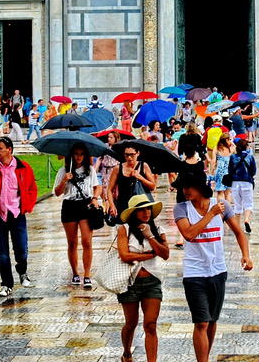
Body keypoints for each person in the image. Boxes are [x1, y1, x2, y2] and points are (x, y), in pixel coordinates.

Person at [174, 169, 254, 362]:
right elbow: (189, 235)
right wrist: (210, 215)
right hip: (194, 273)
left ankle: (205, 357)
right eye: (183, 187)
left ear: (201, 187)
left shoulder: (222, 205)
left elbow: (239, 232)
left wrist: (246, 255)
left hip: (218, 270)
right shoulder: (181, 209)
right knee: (201, 322)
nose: (185, 190)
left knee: (212, 321)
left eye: (189, 186)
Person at [0, 136, 38, 297]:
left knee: (21, 250)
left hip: (17, 213)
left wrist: (27, 205)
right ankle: (6, 284)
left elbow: (32, 188)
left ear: (9, 149)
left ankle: (22, 271)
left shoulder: (23, 167)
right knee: (2, 252)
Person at [115, 194, 170, 362]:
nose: (146, 212)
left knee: (151, 324)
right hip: (130, 282)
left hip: (152, 281)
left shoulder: (158, 230)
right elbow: (124, 255)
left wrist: (150, 236)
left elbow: (165, 254)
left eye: (148, 209)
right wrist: (150, 255)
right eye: (141, 210)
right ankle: (126, 352)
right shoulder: (124, 229)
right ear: (133, 213)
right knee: (131, 323)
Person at [56, 145, 105, 287]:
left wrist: (95, 198)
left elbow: (97, 186)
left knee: (87, 241)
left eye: (81, 154)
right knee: (72, 242)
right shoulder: (64, 170)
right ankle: (75, 273)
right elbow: (58, 192)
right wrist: (64, 180)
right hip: (69, 205)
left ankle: (87, 274)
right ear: (71, 155)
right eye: (76, 153)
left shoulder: (89, 170)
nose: (79, 156)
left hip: (85, 205)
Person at [225, 136, 257, 234]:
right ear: (246, 147)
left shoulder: (233, 157)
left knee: (237, 205)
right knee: (248, 203)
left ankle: (237, 226)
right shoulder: (250, 157)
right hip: (246, 182)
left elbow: (229, 170)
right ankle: (246, 219)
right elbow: (253, 171)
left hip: (235, 183)